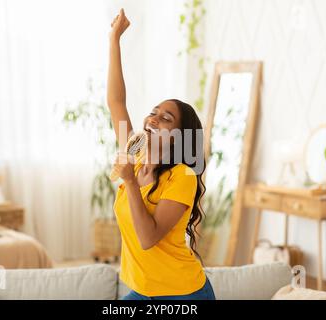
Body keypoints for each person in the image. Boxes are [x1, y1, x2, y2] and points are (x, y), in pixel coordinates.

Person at [107, 8, 215, 300]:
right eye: (153, 113)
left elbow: (148, 238)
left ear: (178, 137)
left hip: (183, 294)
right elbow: (116, 101)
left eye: (165, 118)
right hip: (145, 291)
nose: (152, 119)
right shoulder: (136, 152)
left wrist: (130, 182)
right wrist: (114, 39)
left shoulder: (182, 176)